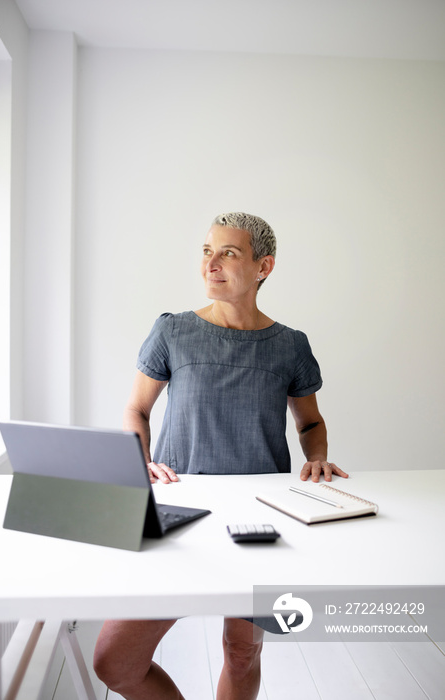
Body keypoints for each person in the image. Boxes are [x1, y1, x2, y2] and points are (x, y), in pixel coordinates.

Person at [93, 212, 348, 700]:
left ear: (263, 266)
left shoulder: (291, 346)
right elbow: (136, 409)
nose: (210, 264)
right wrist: (139, 459)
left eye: (228, 253)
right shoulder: (172, 332)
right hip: (176, 515)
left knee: (242, 651)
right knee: (115, 662)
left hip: (260, 524)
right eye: (206, 252)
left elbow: (311, 423)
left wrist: (317, 458)